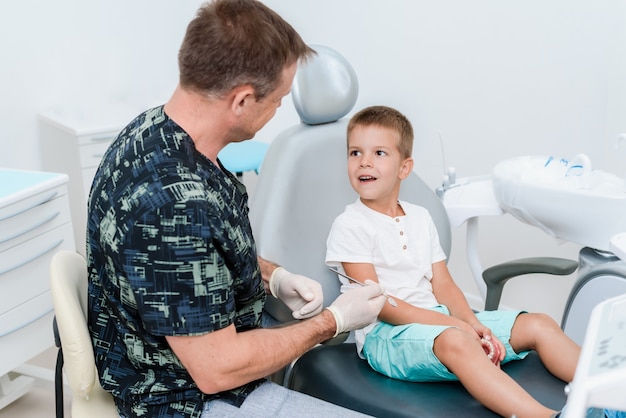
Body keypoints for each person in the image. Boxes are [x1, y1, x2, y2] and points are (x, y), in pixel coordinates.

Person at [86, 1, 387, 417]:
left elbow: (196, 263)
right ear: (242, 100)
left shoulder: (156, 131)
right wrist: (332, 321)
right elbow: (217, 370)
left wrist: (271, 276)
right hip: (186, 399)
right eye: (278, 100)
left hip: (205, 361)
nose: (279, 108)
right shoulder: (172, 205)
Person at [325, 105, 626, 418]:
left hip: (436, 319)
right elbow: (380, 306)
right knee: (457, 340)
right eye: (355, 152)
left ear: (405, 167)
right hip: (385, 336)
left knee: (539, 324)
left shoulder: (420, 216)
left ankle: (613, 397)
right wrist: (455, 326)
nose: (365, 162)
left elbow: (442, 283)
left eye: (380, 153)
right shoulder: (350, 225)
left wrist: (472, 322)